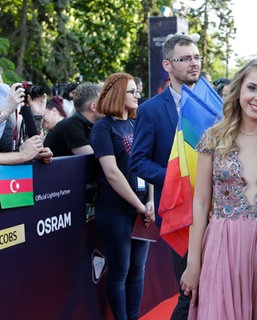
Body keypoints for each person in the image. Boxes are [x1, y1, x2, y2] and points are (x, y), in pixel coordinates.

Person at [179, 58, 257, 319]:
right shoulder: (214, 137)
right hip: (223, 241)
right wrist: (193, 263)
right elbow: (199, 204)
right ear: (239, 89)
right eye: (252, 88)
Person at [129, 33, 202, 320]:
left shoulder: (214, 102)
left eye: (196, 57)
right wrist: (176, 178)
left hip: (215, 210)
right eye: (185, 59)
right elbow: (138, 161)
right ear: (168, 65)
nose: (193, 63)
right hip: (177, 212)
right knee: (189, 288)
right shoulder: (149, 110)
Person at [90, 72, 155, 320]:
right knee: (120, 271)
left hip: (141, 208)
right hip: (115, 210)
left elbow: (146, 164)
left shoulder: (137, 124)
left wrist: (149, 201)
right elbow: (112, 173)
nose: (138, 95)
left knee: (138, 270)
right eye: (132, 91)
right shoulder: (102, 127)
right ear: (118, 94)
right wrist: (139, 205)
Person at [45, 82, 102, 156]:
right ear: (93, 107)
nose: (109, 105)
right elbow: (95, 160)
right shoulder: (71, 126)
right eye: (104, 102)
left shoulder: (81, 125)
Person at [0, 82, 52, 164]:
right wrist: (22, 155)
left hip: (14, 174)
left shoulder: (4, 91)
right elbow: (23, 155)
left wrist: (38, 117)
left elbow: (18, 145)